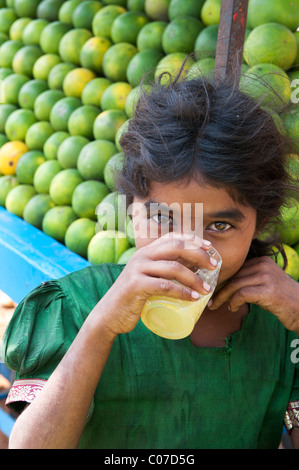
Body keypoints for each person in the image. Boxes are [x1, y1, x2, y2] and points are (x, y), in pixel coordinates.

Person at [1, 71, 299, 449]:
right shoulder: (75, 307)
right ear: (130, 208)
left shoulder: (282, 321)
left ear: (261, 221)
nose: (191, 248)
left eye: (220, 224)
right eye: (164, 219)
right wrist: (102, 325)